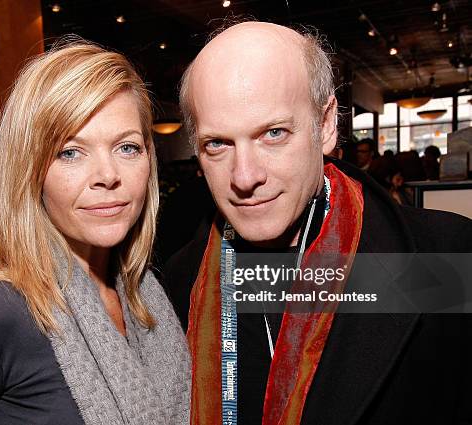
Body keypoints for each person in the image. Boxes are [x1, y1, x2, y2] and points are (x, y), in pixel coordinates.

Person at [161, 21, 472, 425]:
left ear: (325, 125)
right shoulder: (181, 281)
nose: (244, 176)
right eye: (217, 143)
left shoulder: (444, 255)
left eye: (273, 133)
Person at [0, 40, 190, 425]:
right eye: (70, 152)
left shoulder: (147, 298)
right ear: (29, 169)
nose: (109, 175)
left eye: (127, 147)